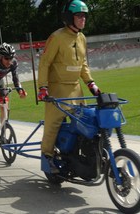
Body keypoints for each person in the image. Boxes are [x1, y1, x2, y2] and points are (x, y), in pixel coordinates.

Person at [37, 0, 101, 173]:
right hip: (57, 90)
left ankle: (83, 157)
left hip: (76, 89)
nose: (83, 19)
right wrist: (43, 88)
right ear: (69, 17)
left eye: (85, 16)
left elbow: (83, 64)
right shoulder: (57, 37)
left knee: (85, 123)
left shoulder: (82, 38)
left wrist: (91, 84)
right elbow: (44, 63)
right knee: (53, 124)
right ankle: (47, 158)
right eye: (79, 15)